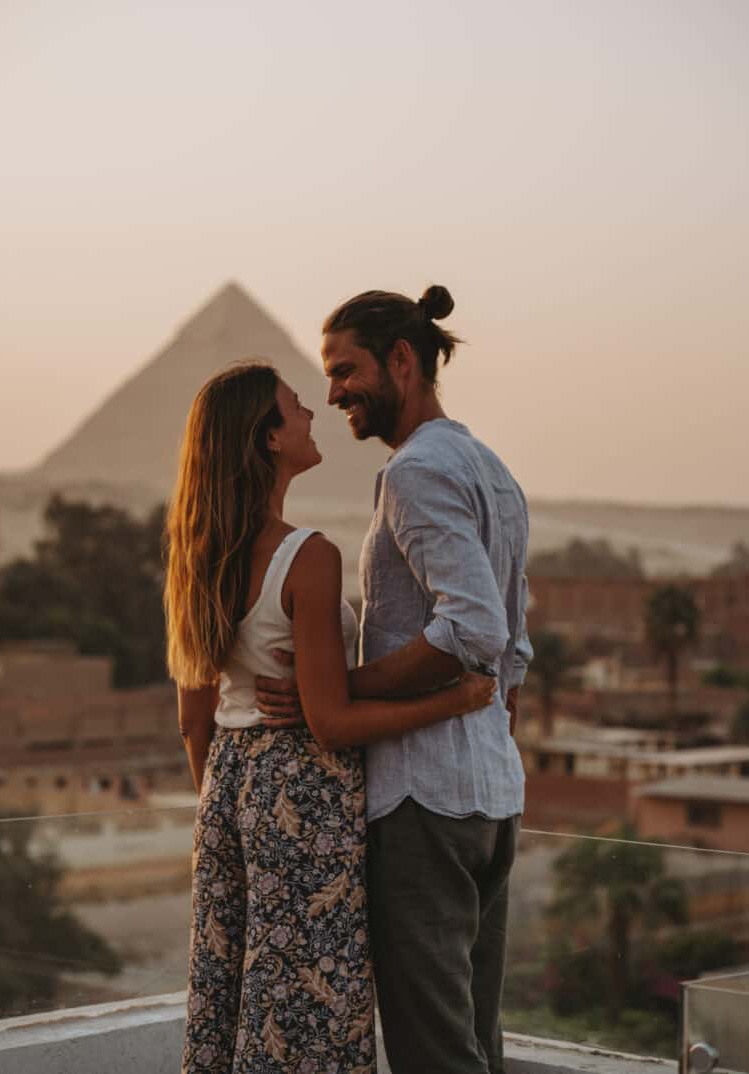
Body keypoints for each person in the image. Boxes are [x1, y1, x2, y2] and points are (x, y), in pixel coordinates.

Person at [164, 361, 497, 1074]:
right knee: (308, 1011)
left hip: (226, 791)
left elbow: (195, 722)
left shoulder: (197, 556)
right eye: (294, 408)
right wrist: (454, 699)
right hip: (302, 803)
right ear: (268, 440)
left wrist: (231, 809)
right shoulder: (307, 558)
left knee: (230, 994)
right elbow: (332, 725)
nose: (313, 412)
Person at [257, 285, 533, 1074]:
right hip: (491, 795)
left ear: (402, 361)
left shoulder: (414, 474)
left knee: (433, 1051)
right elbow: (514, 648)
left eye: (346, 371)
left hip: (424, 800)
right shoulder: (491, 468)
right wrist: (480, 720)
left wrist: (349, 691)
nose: (335, 391)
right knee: (477, 1040)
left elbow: (474, 627)